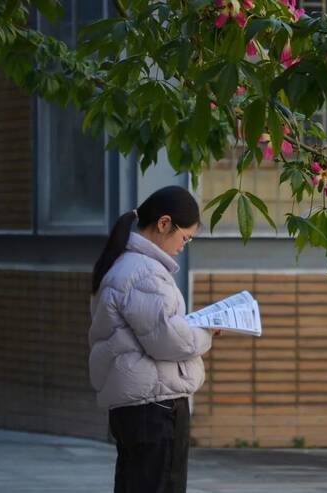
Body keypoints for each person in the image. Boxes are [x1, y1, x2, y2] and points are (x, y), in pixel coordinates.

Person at [88, 185, 217, 493]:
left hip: (137, 406)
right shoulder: (143, 272)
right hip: (156, 407)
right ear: (164, 223)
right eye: (184, 237)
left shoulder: (124, 265)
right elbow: (168, 340)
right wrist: (207, 330)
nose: (184, 245)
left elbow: (155, 329)